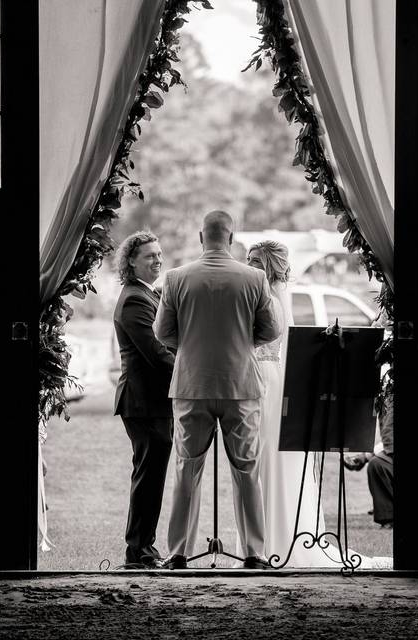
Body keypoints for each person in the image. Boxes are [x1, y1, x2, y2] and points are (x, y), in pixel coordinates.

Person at [154, 210, 280, 570]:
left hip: (192, 384)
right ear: (231, 237)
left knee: (186, 469)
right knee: (246, 470)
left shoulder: (177, 277)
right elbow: (271, 331)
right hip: (240, 385)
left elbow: (162, 332)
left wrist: (191, 346)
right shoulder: (254, 278)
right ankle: (254, 553)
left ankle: (178, 552)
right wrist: (241, 343)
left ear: (200, 237)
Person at [243, 240, 366, 567]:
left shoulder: (272, 294)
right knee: (260, 461)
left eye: (256, 260)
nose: (249, 264)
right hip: (259, 377)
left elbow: (271, 339)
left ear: (270, 266)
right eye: (247, 259)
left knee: (274, 457)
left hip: (268, 379)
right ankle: (266, 539)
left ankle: (280, 541)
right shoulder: (257, 292)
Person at [112, 231, 175, 569]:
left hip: (152, 403)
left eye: (159, 254)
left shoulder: (148, 294)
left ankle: (142, 549)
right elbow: (156, 353)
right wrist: (190, 373)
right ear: (131, 261)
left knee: (150, 476)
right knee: (148, 478)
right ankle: (138, 551)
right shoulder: (135, 299)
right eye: (149, 255)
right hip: (143, 402)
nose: (157, 260)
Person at [345, 390, 394, 528]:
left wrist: (365, 456)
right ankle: (388, 517)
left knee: (378, 463)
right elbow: (390, 443)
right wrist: (365, 456)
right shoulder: (387, 400)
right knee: (377, 464)